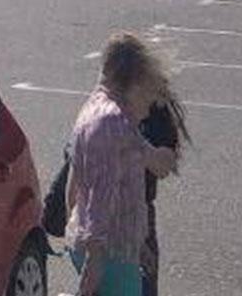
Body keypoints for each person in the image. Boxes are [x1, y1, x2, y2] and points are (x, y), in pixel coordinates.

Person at [66, 32, 177, 296]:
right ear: (135, 84)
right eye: (149, 98)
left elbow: (74, 189)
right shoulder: (113, 126)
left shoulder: (97, 107)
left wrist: (138, 245)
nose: (149, 111)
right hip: (109, 258)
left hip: (113, 251)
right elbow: (99, 207)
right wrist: (90, 276)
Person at [140, 76, 191, 296]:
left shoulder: (97, 114)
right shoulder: (112, 123)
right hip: (122, 224)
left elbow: (164, 165)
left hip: (119, 221)